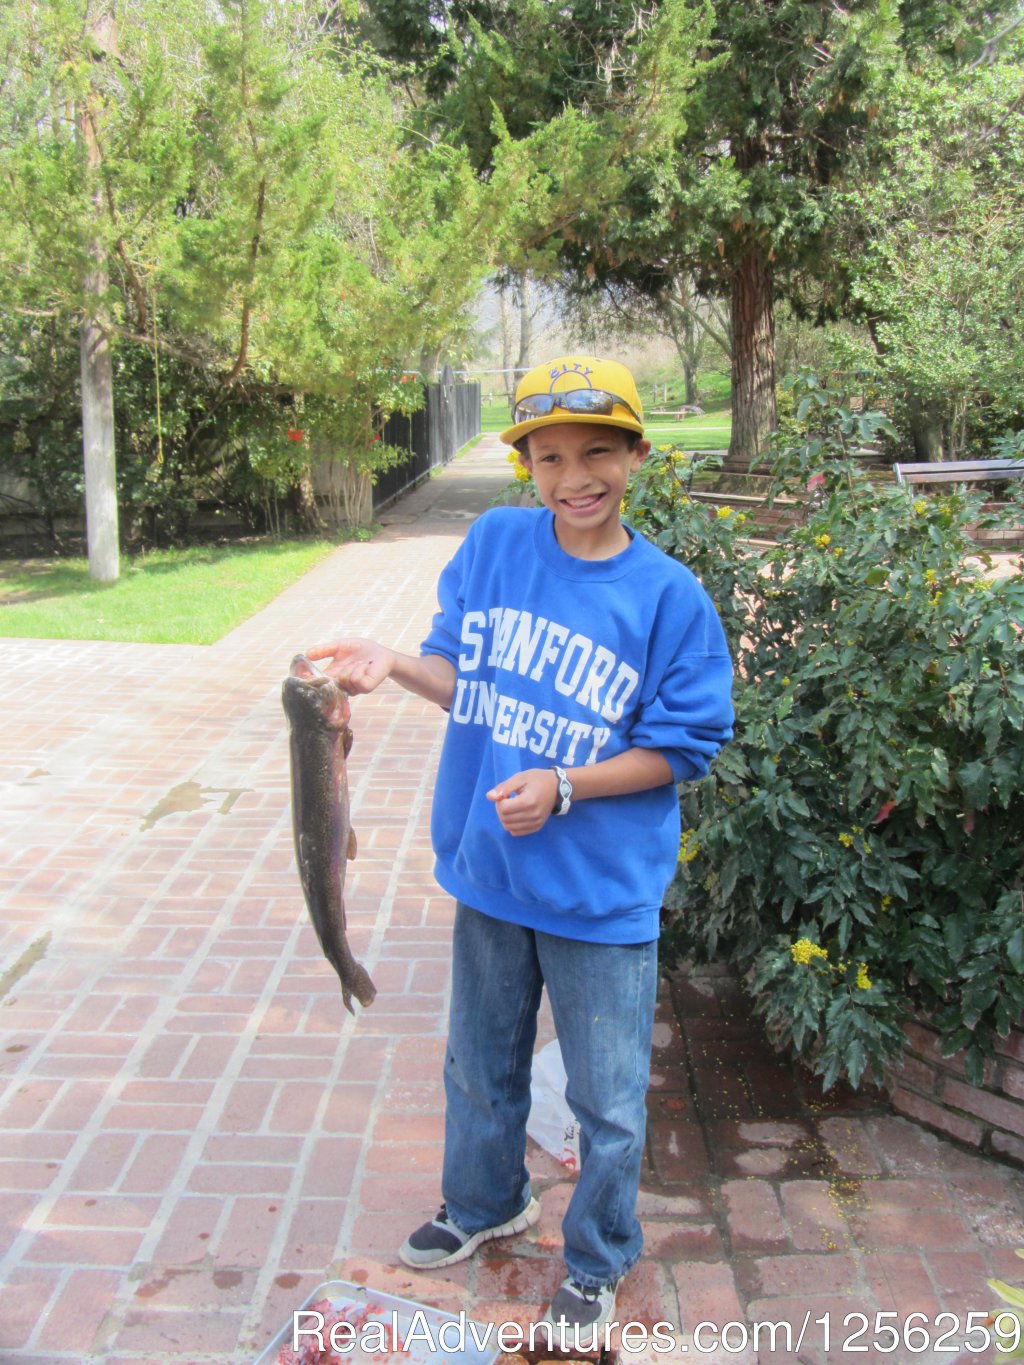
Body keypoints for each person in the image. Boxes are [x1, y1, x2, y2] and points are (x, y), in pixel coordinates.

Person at [308, 354, 733, 1345]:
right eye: (548, 457)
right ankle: (484, 1200)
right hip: (493, 870)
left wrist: (568, 786)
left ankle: (596, 1258)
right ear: (525, 467)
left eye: (595, 453)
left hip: (598, 894)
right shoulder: (497, 545)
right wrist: (392, 664)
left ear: (636, 456)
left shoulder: (668, 598)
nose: (572, 477)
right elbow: (467, 675)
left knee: (607, 1100)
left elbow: (683, 748)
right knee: (477, 1063)